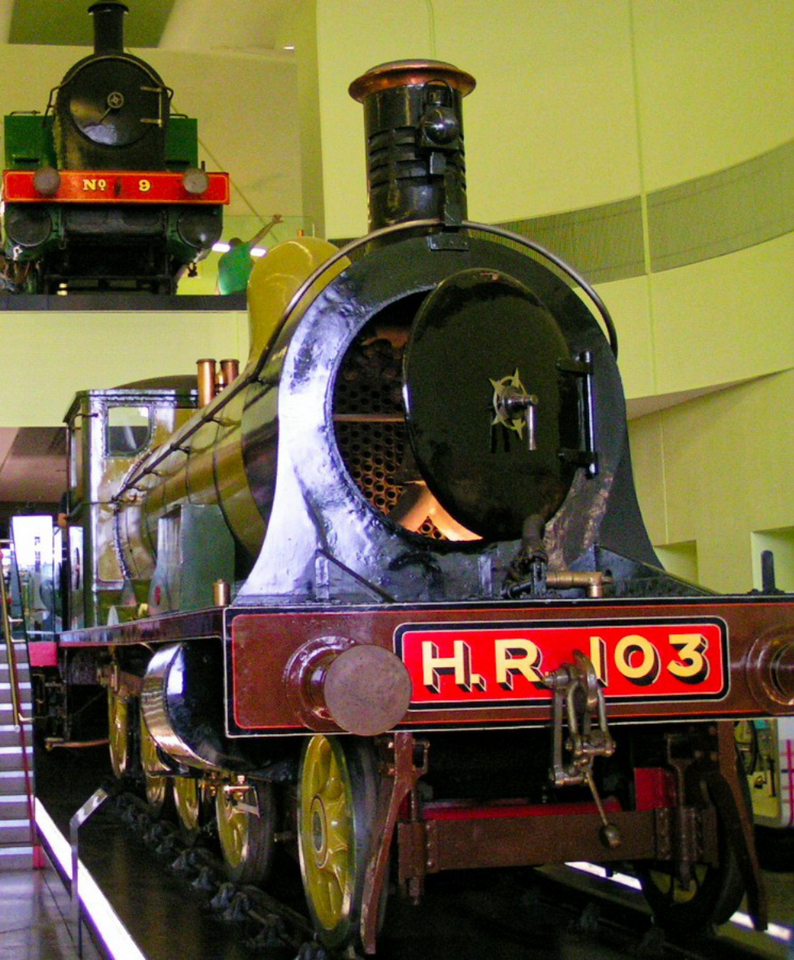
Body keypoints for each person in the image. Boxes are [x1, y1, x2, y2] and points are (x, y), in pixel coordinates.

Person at [217, 214, 282, 294]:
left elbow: (218, 284)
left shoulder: (222, 259)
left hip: (226, 294)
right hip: (240, 291)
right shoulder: (242, 248)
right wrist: (272, 223)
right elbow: (259, 236)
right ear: (240, 243)